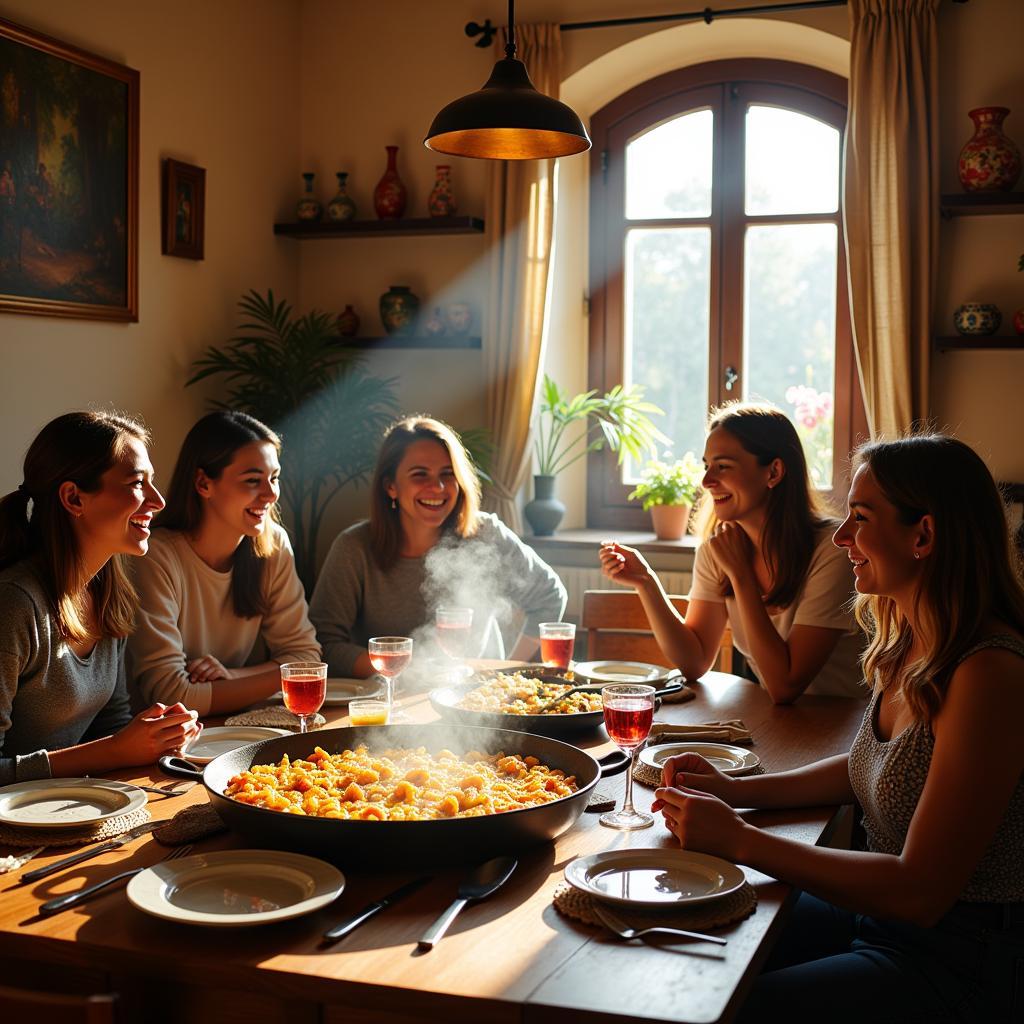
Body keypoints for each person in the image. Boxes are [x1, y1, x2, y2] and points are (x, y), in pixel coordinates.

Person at [654, 434, 1024, 1022]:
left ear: (922, 535)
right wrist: (733, 791)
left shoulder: (989, 672)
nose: (843, 537)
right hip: (878, 917)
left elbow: (920, 891)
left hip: (958, 956)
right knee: (682, 935)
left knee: (717, 1009)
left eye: (860, 517)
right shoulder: (909, 640)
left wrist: (740, 839)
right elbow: (862, 768)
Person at [599, 402, 862, 701]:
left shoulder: (834, 550)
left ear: (774, 472)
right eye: (706, 465)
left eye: (723, 466)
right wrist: (645, 581)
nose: (706, 481)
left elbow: (785, 685)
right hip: (781, 724)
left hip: (842, 728)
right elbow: (695, 661)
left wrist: (740, 574)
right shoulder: (719, 548)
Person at [0, 411, 200, 785]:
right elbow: (109, 747)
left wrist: (156, 739)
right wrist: (117, 750)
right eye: (138, 484)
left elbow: (111, 725)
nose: (157, 502)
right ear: (74, 498)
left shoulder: (109, 594)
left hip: (71, 806)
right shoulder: (14, 605)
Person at [309, 415, 567, 678]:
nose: (438, 487)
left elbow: (550, 596)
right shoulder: (354, 547)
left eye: (448, 474)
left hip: (477, 703)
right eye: (420, 475)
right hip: (389, 700)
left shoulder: (485, 534)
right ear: (391, 487)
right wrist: (406, 672)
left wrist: (506, 673)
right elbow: (323, 643)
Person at [127, 411, 320, 715]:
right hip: (164, 745)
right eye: (253, 480)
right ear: (203, 483)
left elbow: (307, 661)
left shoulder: (272, 544)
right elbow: (172, 696)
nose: (270, 494)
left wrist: (232, 677)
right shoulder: (156, 557)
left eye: (274, 478)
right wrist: (279, 678)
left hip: (238, 728)